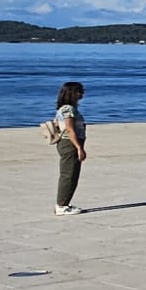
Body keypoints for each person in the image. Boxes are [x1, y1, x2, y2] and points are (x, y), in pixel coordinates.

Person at [52, 81, 87, 215]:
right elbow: (70, 130)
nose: (82, 93)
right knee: (68, 174)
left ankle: (64, 203)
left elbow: (57, 124)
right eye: (79, 91)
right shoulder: (68, 109)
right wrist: (79, 147)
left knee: (72, 174)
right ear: (72, 93)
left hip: (69, 143)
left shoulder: (67, 108)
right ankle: (61, 205)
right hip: (69, 144)